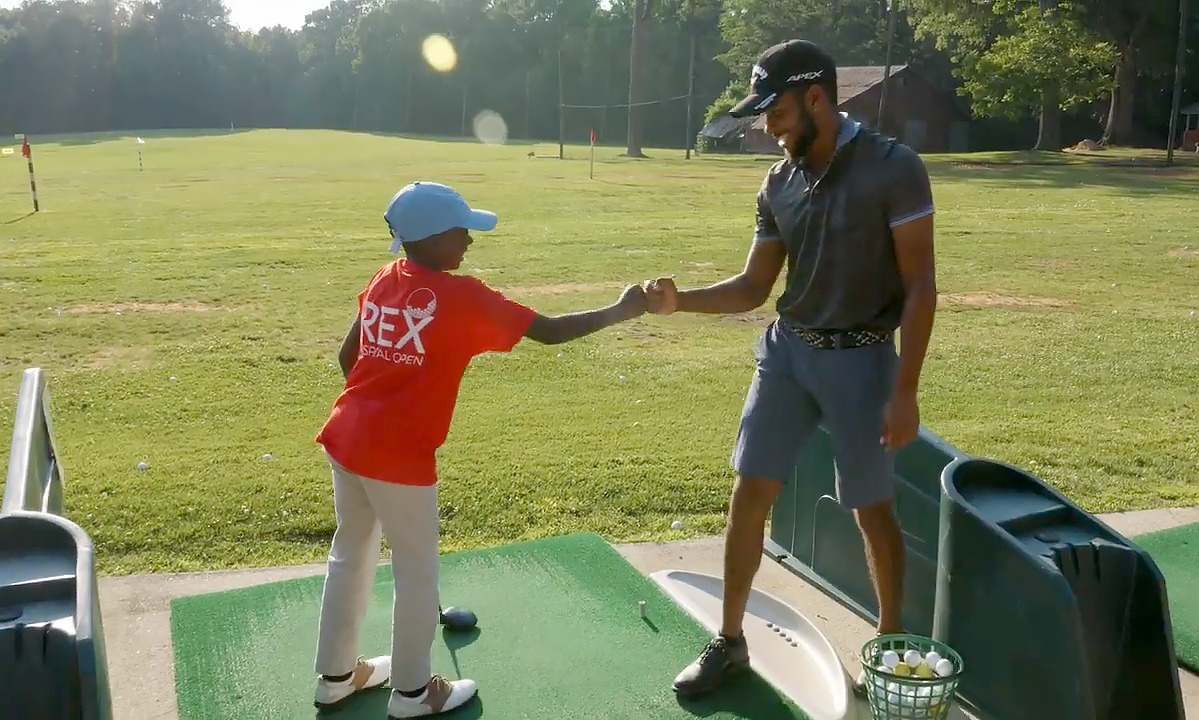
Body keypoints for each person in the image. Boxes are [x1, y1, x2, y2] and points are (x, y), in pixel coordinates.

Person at [643, 39, 938, 698]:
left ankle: (887, 653)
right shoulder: (779, 182)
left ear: (815, 98)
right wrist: (679, 301)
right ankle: (729, 642)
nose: (766, 127)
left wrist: (907, 390)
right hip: (788, 352)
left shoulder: (896, 169)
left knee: (872, 509)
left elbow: (921, 285)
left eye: (774, 112)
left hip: (862, 358)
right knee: (750, 494)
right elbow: (754, 286)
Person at [311, 181, 647, 717]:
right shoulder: (463, 297)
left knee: (350, 553)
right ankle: (414, 694)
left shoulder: (384, 278)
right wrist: (621, 311)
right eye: (461, 231)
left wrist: (383, 400)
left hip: (346, 438)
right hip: (396, 458)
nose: (470, 239)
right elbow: (551, 332)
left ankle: (335, 678)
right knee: (417, 572)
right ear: (433, 238)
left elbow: (348, 356)